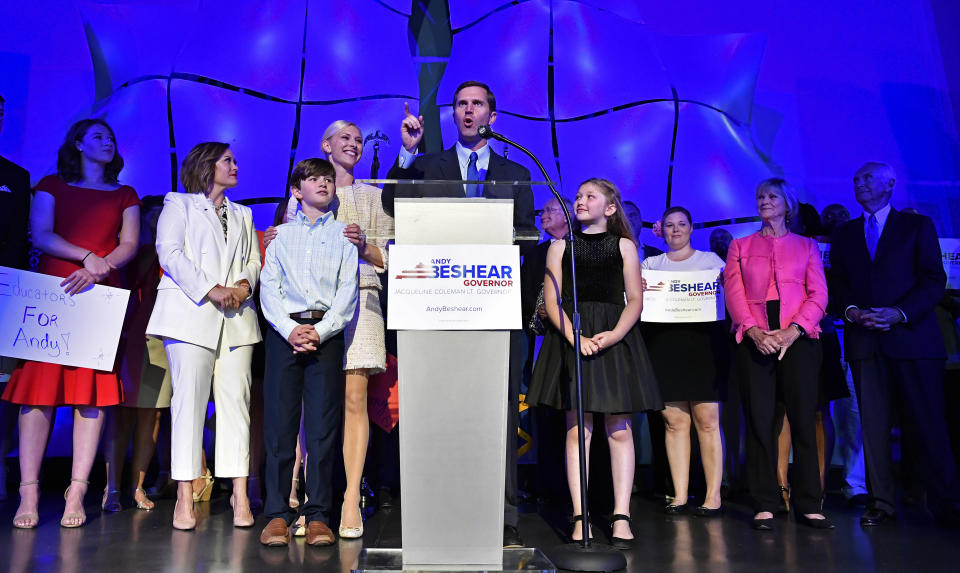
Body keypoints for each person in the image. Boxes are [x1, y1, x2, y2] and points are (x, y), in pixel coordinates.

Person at [380, 80, 536, 547]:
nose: (468, 111)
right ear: (453, 114)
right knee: (438, 412)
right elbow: (393, 203)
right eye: (461, 104)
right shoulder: (428, 165)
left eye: (477, 105)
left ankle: (502, 518)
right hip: (436, 308)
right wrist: (406, 153)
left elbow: (525, 232)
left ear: (493, 115)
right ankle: (436, 511)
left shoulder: (516, 170)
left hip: (494, 308)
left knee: (500, 415)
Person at [4, 119, 141, 528]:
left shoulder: (125, 193)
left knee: (91, 395)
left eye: (111, 137)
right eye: (98, 136)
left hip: (100, 293)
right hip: (55, 290)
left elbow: (130, 243)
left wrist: (101, 268)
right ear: (78, 143)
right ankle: (28, 492)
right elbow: (41, 234)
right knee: (38, 393)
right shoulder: (50, 185)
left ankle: (77, 491)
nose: (107, 142)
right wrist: (86, 258)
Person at [526, 178, 662, 549]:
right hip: (573, 335)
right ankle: (581, 515)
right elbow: (552, 302)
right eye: (579, 196)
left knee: (619, 427)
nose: (581, 201)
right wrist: (575, 338)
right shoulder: (560, 246)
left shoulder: (624, 246)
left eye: (591, 196)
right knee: (577, 428)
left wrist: (614, 335)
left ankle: (621, 515)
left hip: (614, 337)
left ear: (611, 208)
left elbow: (635, 298)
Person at [829, 162, 960, 528]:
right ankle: (881, 503)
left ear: (890, 183)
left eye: (867, 178)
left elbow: (934, 279)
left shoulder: (917, 225)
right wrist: (853, 312)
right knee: (873, 427)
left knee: (928, 425)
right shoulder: (845, 234)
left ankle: (945, 503)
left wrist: (898, 313)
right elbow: (838, 284)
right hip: (865, 344)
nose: (860, 184)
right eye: (856, 179)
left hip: (913, 341)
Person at [146, 142, 261, 530]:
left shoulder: (243, 213)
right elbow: (169, 252)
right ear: (207, 165)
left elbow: (253, 260)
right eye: (228, 160)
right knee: (188, 405)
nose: (235, 165)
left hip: (237, 319)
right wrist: (211, 289)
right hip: (190, 316)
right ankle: (185, 495)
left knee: (236, 407)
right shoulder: (179, 203)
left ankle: (240, 495)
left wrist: (244, 286)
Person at [258, 158, 358, 547]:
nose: (323, 183)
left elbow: (347, 291)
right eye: (314, 178)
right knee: (280, 429)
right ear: (296, 191)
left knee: (321, 430)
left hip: (325, 335)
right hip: (285, 334)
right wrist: (289, 329)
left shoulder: (344, 236)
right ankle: (277, 515)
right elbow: (269, 288)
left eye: (328, 179)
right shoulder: (279, 236)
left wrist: (318, 330)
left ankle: (318, 515)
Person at [724, 177, 832, 530]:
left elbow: (818, 295)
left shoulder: (806, 246)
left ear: (788, 204)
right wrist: (754, 331)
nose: (765, 201)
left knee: (802, 419)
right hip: (755, 336)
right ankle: (765, 502)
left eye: (772, 196)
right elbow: (735, 293)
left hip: (798, 337)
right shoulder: (740, 246)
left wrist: (793, 330)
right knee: (759, 420)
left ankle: (809, 502)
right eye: (760, 196)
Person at [320, 120, 393, 538]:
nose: (353, 144)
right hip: (316, 303)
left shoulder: (373, 196)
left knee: (355, 398)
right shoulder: (307, 191)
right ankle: (311, 497)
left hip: (363, 299)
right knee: (317, 400)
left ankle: (350, 497)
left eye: (358, 140)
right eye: (344, 138)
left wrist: (365, 245)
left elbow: (391, 256)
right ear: (326, 145)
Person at [641, 206, 726, 516]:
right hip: (664, 348)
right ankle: (679, 494)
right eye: (670, 225)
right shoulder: (650, 264)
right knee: (675, 423)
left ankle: (713, 495)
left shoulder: (711, 262)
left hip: (703, 348)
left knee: (707, 422)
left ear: (691, 228)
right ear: (660, 230)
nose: (675, 230)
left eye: (681, 224)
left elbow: (725, 302)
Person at [102, 195, 169, 512]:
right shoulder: (131, 251)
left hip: (162, 338)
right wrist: (152, 238)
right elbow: (130, 283)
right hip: (128, 336)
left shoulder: (174, 251)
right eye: (154, 217)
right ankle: (112, 487)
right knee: (122, 414)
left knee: (151, 413)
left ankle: (138, 486)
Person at [0, 93, 32, 503]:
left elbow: (21, 245)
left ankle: (2, 466)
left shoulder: (17, 177)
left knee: (4, 388)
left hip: (5, 299)